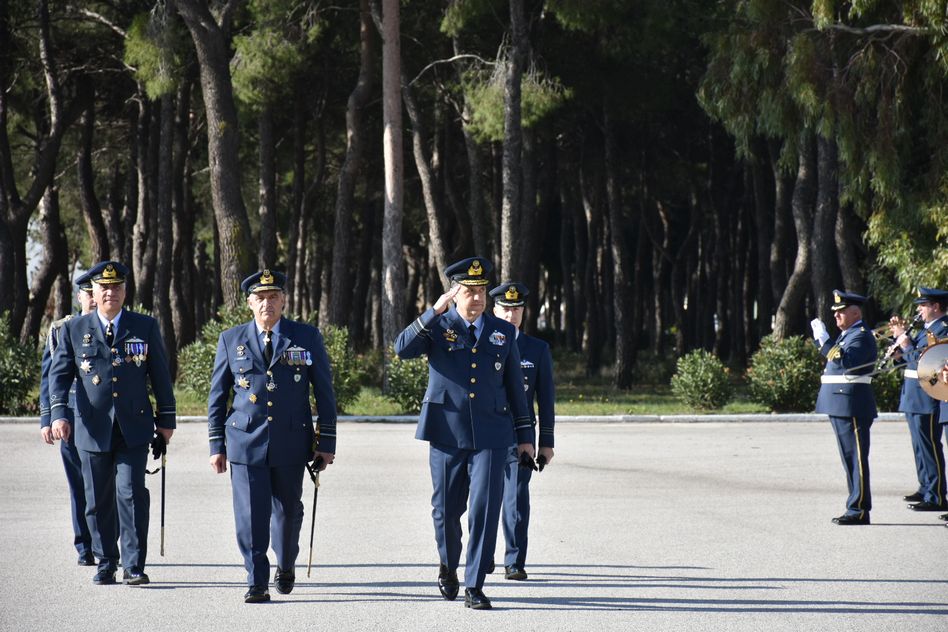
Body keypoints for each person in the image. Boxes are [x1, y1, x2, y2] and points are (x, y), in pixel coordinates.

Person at [394, 257, 535, 611]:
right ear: (455, 294)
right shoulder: (439, 326)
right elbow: (401, 348)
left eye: (482, 291)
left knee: (484, 510)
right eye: (469, 291)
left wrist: (525, 436)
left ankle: (475, 583)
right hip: (445, 431)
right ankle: (448, 564)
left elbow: (516, 388)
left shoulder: (502, 333)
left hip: (492, 432)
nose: (477, 298)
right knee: (445, 509)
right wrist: (434, 310)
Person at [207, 269, 337, 604]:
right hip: (244, 441)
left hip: (291, 441)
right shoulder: (230, 340)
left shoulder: (305, 337)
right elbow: (218, 396)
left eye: (273, 297)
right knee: (251, 514)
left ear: (283, 301)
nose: (267, 303)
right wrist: (216, 445)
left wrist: (326, 443)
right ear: (249, 303)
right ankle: (256, 579)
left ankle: (286, 563)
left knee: (288, 511)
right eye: (260, 298)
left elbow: (324, 392)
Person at [48, 261, 176, 585]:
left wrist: (166, 421)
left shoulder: (144, 327)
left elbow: (160, 377)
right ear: (94, 292)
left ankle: (134, 565)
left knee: (131, 493)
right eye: (104, 288)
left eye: (116, 287)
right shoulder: (74, 330)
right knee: (97, 499)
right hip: (90, 429)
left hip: (133, 428)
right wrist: (59, 414)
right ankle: (106, 562)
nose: (110, 293)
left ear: (124, 291)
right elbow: (59, 376)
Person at [488, 281, 555, 581]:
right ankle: (483, 554)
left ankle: (514, 561)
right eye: (505, 308)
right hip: (487, 434)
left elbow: (546, 398)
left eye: (516, 309)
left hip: (521, 436)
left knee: (516, 498)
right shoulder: (482, 342)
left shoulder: (537, 349)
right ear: (494, 310)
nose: (511, 315)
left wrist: (546, 442)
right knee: (485, 498)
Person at [38, 271, 103, 566]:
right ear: (79, 297)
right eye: (87, 293)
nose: (92, 298)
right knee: (79, 484)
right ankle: (85, 545)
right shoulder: (63, 329)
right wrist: (49, 417)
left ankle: (107, 544)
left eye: (96, 292)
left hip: (105, 417)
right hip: (73, 418)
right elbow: (50, 378)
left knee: (107, 485)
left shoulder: (112, 327)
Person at [810, 290, 877, 525]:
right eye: (835, 312)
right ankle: (854, 505)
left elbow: (847, 362)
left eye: (841, 312)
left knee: (856, 459)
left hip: (853, 405)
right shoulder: (847, 335)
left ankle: (858, 509)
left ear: (855, 312)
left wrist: (824, 341)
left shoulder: (860, 335)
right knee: (849, 458)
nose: (836, 316)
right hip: (841, 404)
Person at [889, 287, 948, 512]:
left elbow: (929, 360)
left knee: (929, 445)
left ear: (935, 306)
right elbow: (910, 357)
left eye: (923, 305)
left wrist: (905, 346)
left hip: (927, 395)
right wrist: (899, 352)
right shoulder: (925, 329)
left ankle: (936, 495)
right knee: (919, 446)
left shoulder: (942, 329)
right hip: (913, 393)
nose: (919, 310)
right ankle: (926, 486)